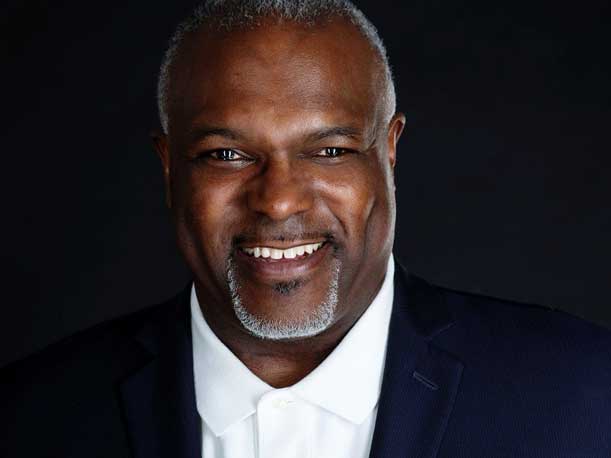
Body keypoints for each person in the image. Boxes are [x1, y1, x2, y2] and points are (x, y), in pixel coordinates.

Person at [2, 1, 610, 457]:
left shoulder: (584, 395)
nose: (278, 201)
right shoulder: (32, 419)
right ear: (169, 169)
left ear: (389, 151)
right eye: (227, 155)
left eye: (329, 151)